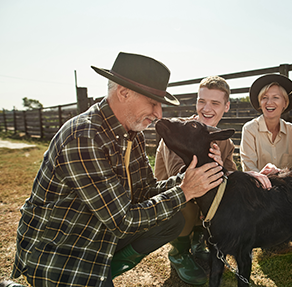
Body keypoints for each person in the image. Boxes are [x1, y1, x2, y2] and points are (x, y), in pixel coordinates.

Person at [9, 52, 224, 287]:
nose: (159, 113)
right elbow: (123, 220)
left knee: (172, 220)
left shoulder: (133, 134)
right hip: (63, 247)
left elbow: (146, 190)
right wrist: (184, 191)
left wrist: (189, 179)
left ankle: (103, 272)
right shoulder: (84, 137)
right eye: (153, 103)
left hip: (100, 229)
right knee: (170, 209)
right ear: (124, 93)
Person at [154, 75, 271, 285]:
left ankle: (199, 241)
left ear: (226, 107)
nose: (206, 109)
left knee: (220, 200)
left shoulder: (224, 141)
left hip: (203, 200)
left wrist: (229, 171)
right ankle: (179, 252)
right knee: (190, 201)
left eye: (215, 103)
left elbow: (230, 181)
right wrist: (212, 167)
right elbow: (180, 179)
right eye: (202, 101)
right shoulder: (178, 132)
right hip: (173, 200)